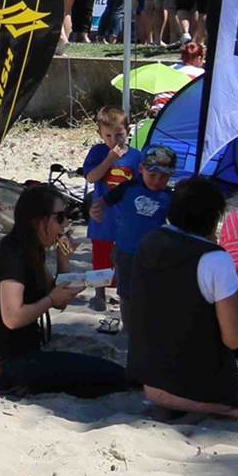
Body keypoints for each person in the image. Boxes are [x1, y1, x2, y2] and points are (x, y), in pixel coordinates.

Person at [0, 183, 130, 399]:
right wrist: (50, 299)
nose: (66, 223)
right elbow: (13, 317)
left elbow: (59, 300)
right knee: (110, 376)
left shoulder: (33, 248)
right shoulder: (12, 254)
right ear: (37, 221)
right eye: (59, 217)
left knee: (103, 374)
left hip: (27, 353)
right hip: (5, 364)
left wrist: (63, 259)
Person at [125, 177, 238, 419]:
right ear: (214, 219)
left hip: (148, 375)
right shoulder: (215, 259)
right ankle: (219, 408)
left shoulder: (148, 242)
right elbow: (234, 339)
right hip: (195, 382)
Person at [101, 143, 178, 315]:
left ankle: (147, 323)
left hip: (155, 253)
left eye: (164, 177)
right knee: (126, 294)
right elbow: (105, 200)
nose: (157, 181)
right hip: (126, 251)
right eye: (152, 175)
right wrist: (96, 210)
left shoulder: (170, 196)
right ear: (141, 168)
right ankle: (128, 326)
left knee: (153, 293)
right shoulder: (128, 187)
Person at [80, 106, 128, 321]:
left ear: (127, 131)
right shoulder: (98, 152)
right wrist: (109, 159)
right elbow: (91, 177)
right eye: (108, 135)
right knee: (101, 256)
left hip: (125, 217)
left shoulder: (135, 156)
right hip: (102, 216)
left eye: (119, 134)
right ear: (100, 134)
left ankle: (121, 293)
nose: (113, 140)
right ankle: (99, 294)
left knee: (124, 256)